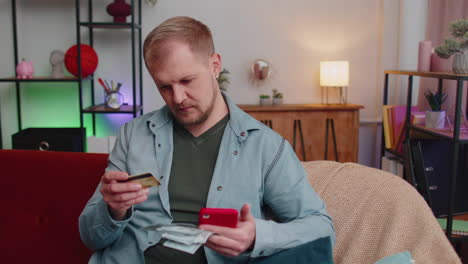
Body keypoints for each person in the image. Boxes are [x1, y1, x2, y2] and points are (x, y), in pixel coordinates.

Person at [79, 16, 335, 264]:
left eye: (187, 80)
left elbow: (321, 228)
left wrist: (258, 236)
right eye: (164, 87)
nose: (178, 98)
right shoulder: (133, 135)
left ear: (215, 65)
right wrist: (113, 210)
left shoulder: (266, 147)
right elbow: (91, 237)